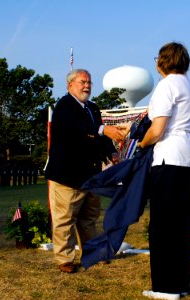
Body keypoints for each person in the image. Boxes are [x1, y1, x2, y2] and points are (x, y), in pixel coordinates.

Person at [137, 42, 190, 299]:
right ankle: (179, 283)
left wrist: (142, 144)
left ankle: (164, 287)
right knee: (181, 223)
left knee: (163, 224)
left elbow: (158, 129)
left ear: (161, 62)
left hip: (170, 156)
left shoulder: (166, 85)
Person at [45, 69, 125, 273]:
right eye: (83, 82)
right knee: (65, 219)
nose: (87, 85)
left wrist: (111, 153)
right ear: (70, 85)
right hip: (68, 176)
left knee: (89, 219)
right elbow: (78, 129)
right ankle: (65, 259)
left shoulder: (93, 108)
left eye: (89, 82)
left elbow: (100, 135)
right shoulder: (64, 106)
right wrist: (103, 130)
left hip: (91, 175)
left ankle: (93, 254)